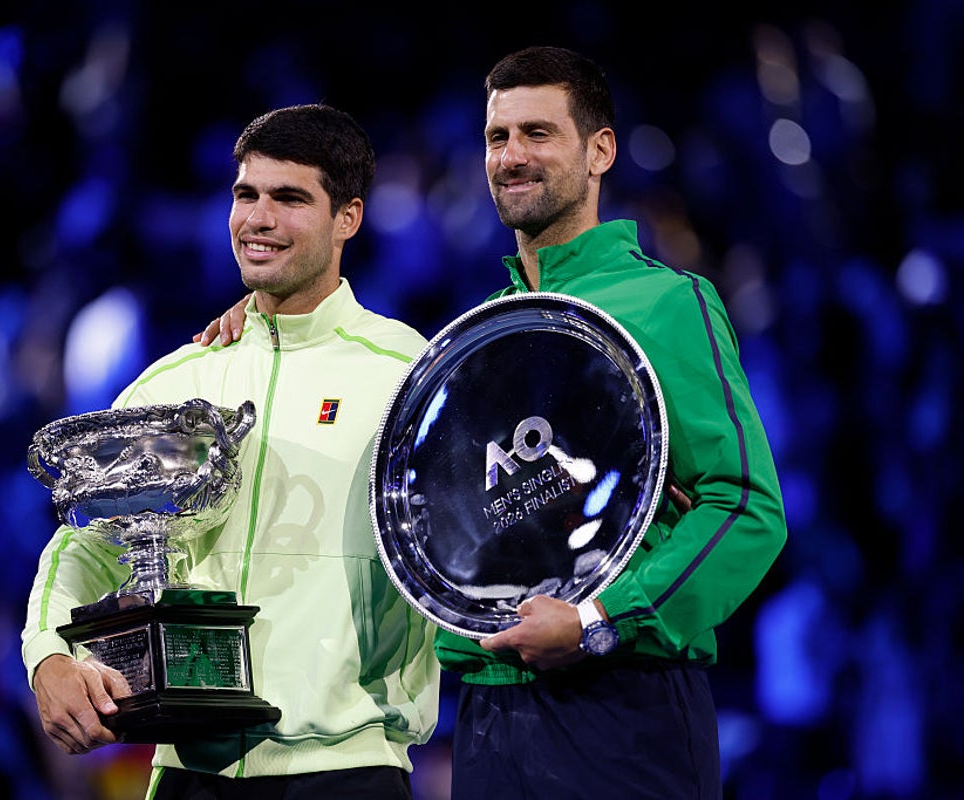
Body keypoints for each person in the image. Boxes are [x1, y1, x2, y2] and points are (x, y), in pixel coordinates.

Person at [195, 46, 788, 799]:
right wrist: (264, 319)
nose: (512, 156)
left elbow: (746, 508)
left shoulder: (667, 304)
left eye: (539, 133)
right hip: (487, 718)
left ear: (600, 151)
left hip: (623, 704)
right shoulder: (478, 335)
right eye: (497, 137)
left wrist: (599, 620)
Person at [22, 103, 439, 800]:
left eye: (289, 198)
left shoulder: (409, 374)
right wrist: (48, 656)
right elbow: (86, 545)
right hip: (188, 774)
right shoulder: (174, 383)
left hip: (347, 772)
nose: (258, 219)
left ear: (348, 218)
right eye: (246, 195)